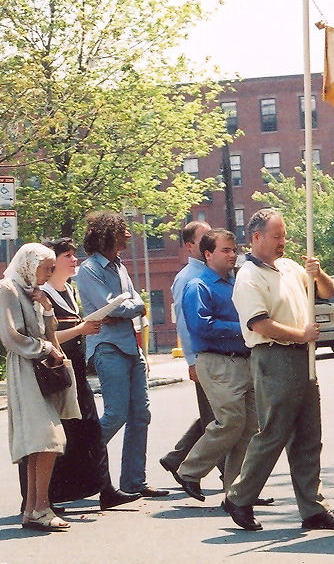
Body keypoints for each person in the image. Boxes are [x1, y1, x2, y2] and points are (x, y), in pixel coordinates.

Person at [222, 208, 334, 531]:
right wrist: (301, 335)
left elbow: (326, 292)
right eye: (276, 236)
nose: (283, 242)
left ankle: (313, 508)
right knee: (274, 432)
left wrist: (318, 273)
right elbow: (260, 324)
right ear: (257, 237)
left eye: (284, 236)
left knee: (309, 435)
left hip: (301, 356)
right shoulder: (248, 276)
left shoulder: (290, 267)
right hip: (273, 357)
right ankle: (239, 497)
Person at [27, 238, 139, 512]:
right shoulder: (43, 295)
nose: (74, 259)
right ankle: (46, 497)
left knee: (91, 429)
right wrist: (81, 329)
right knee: (60, 435)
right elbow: (46, 337)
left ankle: (105, 489)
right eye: (67, 255)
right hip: (56, 372)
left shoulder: (70, 290)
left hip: (76, 370)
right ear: (52, 262)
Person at [76, 211, 168, 498]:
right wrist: (127, 308)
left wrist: (125, 308)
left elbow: (131, 303)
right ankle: (77, 463)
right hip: (108, 348)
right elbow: (116, 307)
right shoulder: (89, 269)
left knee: (141, 414)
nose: (128, 235)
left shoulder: (120, 266)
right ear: (107, 234)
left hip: (131, 347)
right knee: (116, 414)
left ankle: (133, 481)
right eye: (122, 230)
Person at [173, 229, 257, 503]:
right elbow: (201, 326)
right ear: (208, 254)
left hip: (244, 359)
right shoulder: (197, 285)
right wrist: (243, 328)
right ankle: (189, 471)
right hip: (216, 361)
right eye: (225, 250)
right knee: (231, 421)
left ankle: (238, 491)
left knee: (251, 427)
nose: (233, 255)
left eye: (234, 250)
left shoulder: (236, 282)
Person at [0, 243, 77, 531]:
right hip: (25, 369)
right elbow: (10, 336)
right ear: (29, 266)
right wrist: (45, 348)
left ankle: (34, 508)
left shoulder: (32, 291)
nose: (48, 274)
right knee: (47, 438)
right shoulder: (8, 289)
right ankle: (40, 507)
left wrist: (46, 308)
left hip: (38, 369)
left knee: (40, 443)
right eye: (45, 268)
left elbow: (47, 332)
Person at [159, 221, 222, 488]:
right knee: (220, 419)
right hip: (204, 358)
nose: (210, 241)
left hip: (221, 358)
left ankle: (176, 458)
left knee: (219, 415)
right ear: (189, 246)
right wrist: (192, 361)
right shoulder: (187, 278)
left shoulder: (213, 271)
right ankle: (233, 482)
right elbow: (184, 323)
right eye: (204, 238)